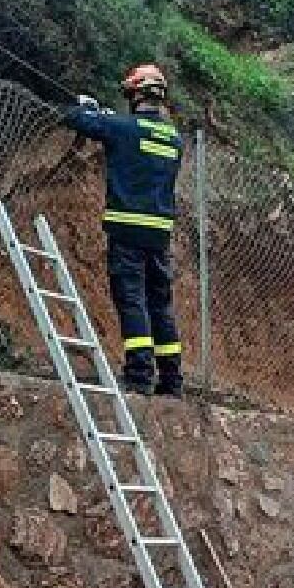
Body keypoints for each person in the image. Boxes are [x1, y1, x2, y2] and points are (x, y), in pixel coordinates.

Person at [63, 63, 185, 398]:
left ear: (134, 95)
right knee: (160, 305)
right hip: (160, 234)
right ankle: (171, 381)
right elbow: (136, 135)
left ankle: (139, 374)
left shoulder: (123, 128)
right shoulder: (175, 139)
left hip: (127, 230)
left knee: (132, 299)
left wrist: (89, 107)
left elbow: (75, 118)